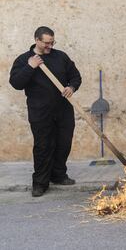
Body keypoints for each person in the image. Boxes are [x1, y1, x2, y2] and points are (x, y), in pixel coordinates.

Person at [10, 26, 82, 197]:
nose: (50, 46)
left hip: (63, 109)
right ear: (37, 40)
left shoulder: (61, 57)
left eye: (52, 42)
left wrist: (71, 87)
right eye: (46, 43)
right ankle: (40, 183)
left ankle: (58, 175)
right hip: (40, 111)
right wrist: (30, 67)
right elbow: (15, 83)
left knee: (64, 143)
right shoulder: (24, 60)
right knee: (43, 146)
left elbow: (76, 76)